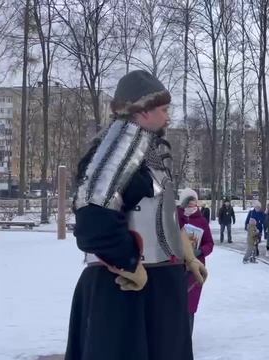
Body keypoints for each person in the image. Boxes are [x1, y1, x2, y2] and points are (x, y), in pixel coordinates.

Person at [65, 70, 207, 360]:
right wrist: (129, 263)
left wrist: (188, 256)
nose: (168, 118)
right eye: (164, 110)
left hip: (158, 288)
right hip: (124, 291)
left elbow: (166, 213)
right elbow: (94, 220)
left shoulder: (150, 151)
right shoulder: (116, 150)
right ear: (142, 111)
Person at [177, 189, 214, 334]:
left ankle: (187, 337)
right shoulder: (175, 218)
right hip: (177, 265)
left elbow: (209, 243)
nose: (191, 206)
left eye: (194, 203)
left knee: (190, 304)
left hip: (195, 269)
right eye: (188, 203)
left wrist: (200, 251)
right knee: (177, 303)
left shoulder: (201, 221)